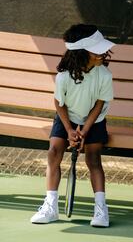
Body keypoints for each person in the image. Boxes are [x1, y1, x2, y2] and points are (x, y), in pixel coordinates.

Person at [30, 24, 115, 227]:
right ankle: (51, 206)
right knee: (54, 152)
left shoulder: (104, 75)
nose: (103, 52)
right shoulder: (64, 76)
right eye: (97, 48)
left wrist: (84, 130)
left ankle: (101, 210)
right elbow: (59, 104)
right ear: (82, 52)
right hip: (66, 118)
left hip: (94, 121)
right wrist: (69, 130)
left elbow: (99, 105)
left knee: (94, 159)